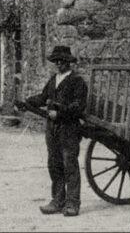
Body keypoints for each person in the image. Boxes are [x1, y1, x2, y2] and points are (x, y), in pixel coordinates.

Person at [16, 45, 88, 217]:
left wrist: (60, 113)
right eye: (57, 61)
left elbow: (78, 106)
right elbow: (42, 98)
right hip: (52, 129)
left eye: (63, 61)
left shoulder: (77, 81)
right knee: (54, 165)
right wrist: (26, 103)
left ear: (69, 62)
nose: (59, 63)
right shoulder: (53, 79)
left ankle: (72, 203)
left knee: (69, 165)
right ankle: (57, 200)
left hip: (69, 128)